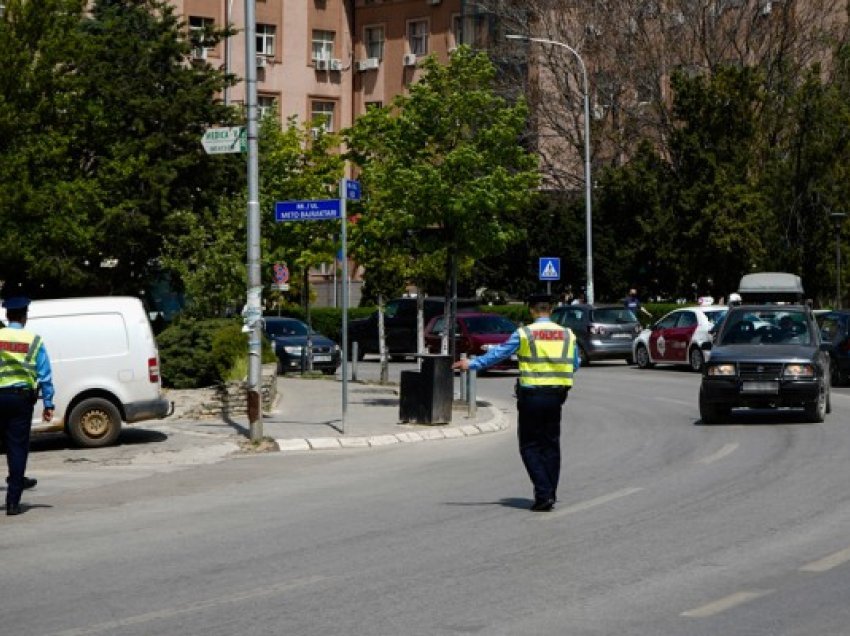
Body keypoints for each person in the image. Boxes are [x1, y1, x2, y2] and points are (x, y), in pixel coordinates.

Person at [452, 294, 579, 512]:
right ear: (551, 309)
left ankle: (543, 493)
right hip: (557, 396)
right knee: (550, 445)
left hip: (532, 396)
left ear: (531, 310)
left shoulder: (525, 333)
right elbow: (574, 364)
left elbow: (499, 354)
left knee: (529, 445)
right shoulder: (567, 334)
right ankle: (550, 492)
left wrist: (471, 364)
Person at [0, 296, 55, 516]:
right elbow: (45, 374)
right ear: (24, 316)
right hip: (20, 400)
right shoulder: (34, 340)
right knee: (17, 448)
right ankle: (13, 503)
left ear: (7, 315)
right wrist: (48, 403)